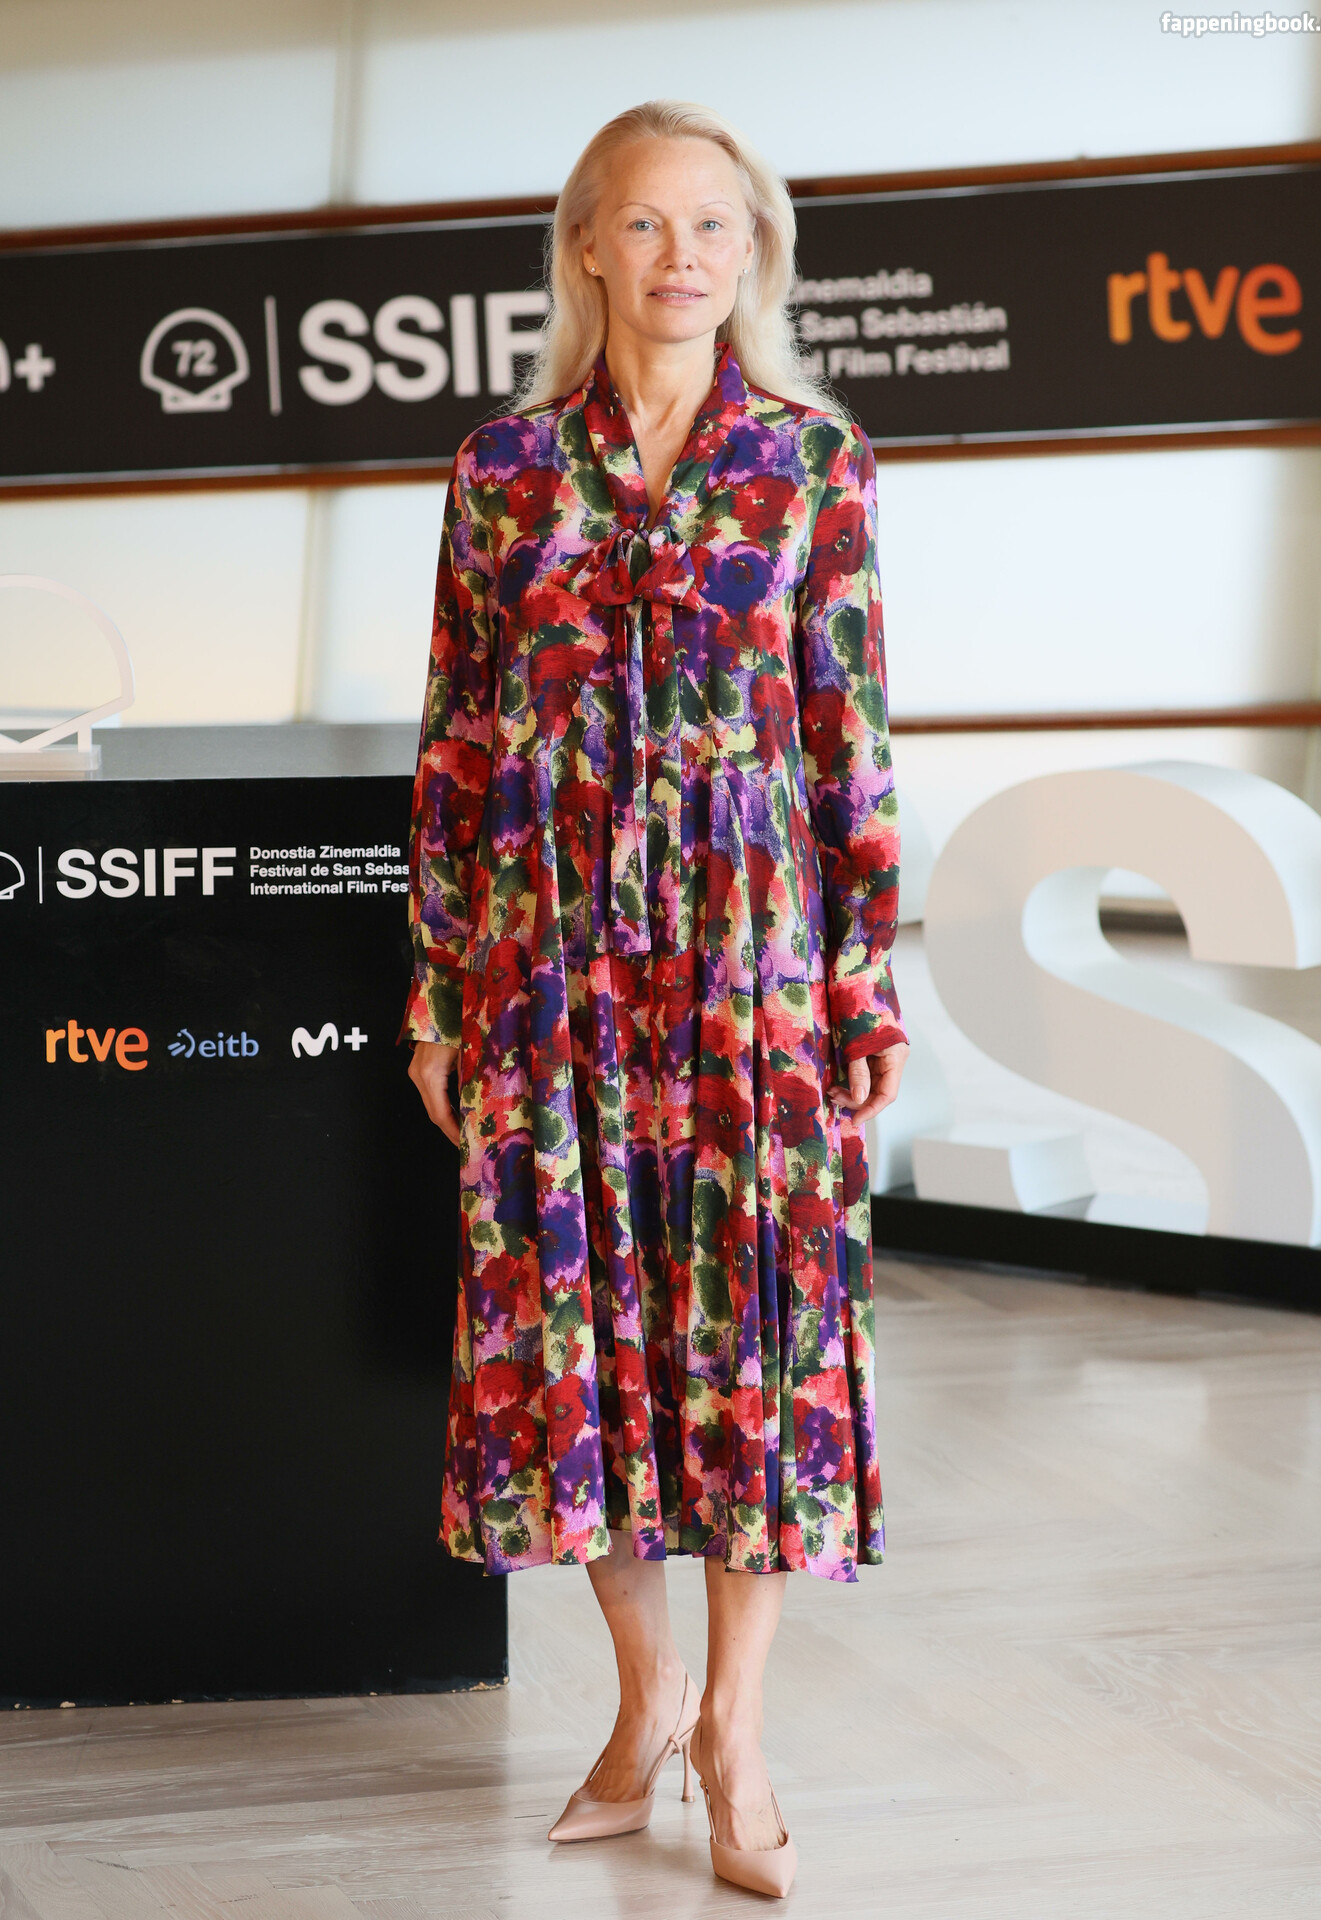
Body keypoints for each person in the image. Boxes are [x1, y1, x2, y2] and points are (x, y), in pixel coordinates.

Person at [403, 98, 908, 1900]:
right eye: (644, 222)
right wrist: (439, 997)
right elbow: (457, 746)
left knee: (754, 1344)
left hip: (752, 967)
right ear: (587, 251)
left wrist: (864, 987)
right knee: (582, 1339)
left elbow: (850, 738)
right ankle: (644, 1705)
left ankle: (738, 1737)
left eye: (714, 224)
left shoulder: (814, 463)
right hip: (551, 969)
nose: (680, 255)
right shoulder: (502, 471)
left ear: (752, 252)